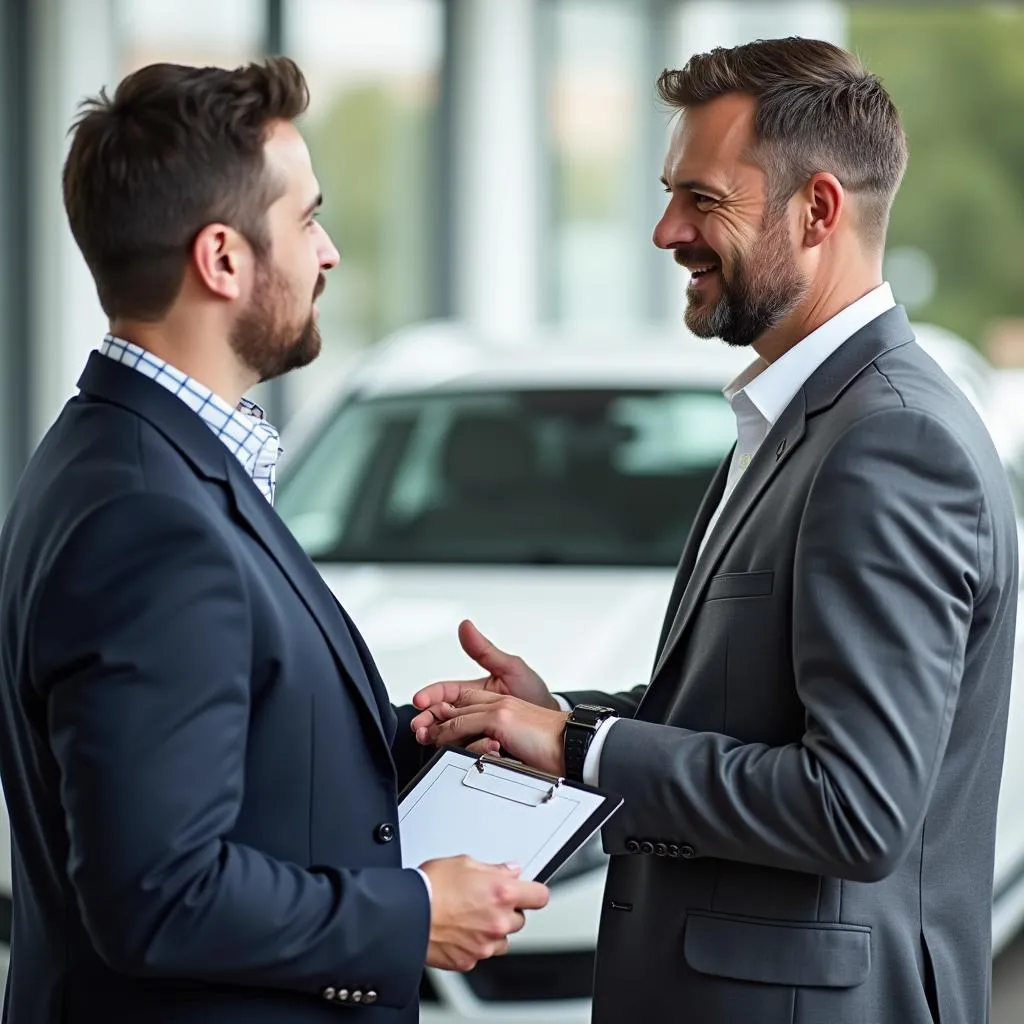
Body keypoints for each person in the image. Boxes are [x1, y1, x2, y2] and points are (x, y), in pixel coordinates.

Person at [411, 36, 1018, 1024]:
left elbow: (852, 808)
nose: (664, 231)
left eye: (703, 199)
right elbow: (750, 707)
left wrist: (580, 747)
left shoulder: (892, 442)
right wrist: (556, 713)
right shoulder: (810, 417)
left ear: (817, 209)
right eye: (668, 194)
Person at [0, 57, 548, 1024]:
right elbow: (156, 895)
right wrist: (409, 916)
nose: (328, 252)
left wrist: (437, 738)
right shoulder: (147, 515)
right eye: (305, 219)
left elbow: (239, 744)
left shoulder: (129, 455)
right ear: (222, 259)